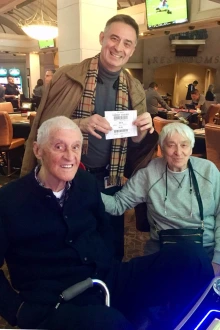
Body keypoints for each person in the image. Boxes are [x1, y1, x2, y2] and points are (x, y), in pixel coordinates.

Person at [0, 117, 214, 330]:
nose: (69, 156)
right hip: (57, 297)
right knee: (108, 322)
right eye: (59, 147)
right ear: (38, 151)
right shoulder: (9, 200)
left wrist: (110, 264)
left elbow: (104, 229)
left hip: (105, 276)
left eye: (75, 147)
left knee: (192, 257)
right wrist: (17, 311)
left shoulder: (84, 183)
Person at [21, 14, 155, 260]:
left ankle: (108, 293)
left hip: (111, 180)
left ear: (133, 49)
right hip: (70, 176)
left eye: (127, 43)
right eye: (114, 38)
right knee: (68, 243)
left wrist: (143, 132)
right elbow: (44, 128)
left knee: (110, 244)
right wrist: (80, 124)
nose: (119, 47)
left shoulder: (134, 88)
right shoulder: (67, 76)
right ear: (102, 38)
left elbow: (135, 144)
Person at [102, 122, 220, 275]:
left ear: (191, 147)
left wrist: (217, 259)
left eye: (184, 145)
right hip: (162, 251)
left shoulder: (208, 170)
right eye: (171, 145)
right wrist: (83, 187)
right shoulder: (150, 174)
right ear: (162, 148)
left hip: (205, 251)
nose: (178, 152)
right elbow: (117, 204)